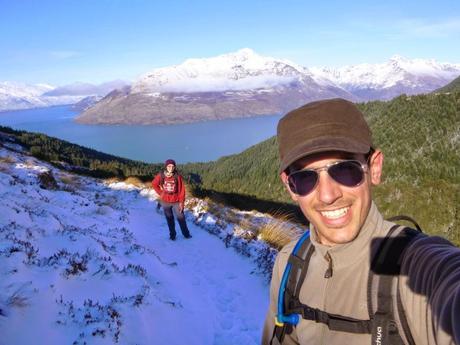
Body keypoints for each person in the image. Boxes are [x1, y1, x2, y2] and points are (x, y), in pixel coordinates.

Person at [262, 98, 460, 345]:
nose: (327, 195)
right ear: (290, 186)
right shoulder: (289, 264)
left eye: (345, 169)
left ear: (374, 168)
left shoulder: (418, 267)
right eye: (304, 178)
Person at [152, 159, 192, 241]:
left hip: (176, 201)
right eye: (169, 166)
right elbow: (154, 184)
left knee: (181, 218)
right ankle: (172, 235)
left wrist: (181, 203)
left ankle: (186, 234)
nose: (171, 168)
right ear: (166, 166)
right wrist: (161, 193)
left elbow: (181, 191)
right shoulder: (161, 175)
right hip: (165, 201)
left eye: (173, 166)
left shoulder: (177, 176)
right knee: (169, 219)